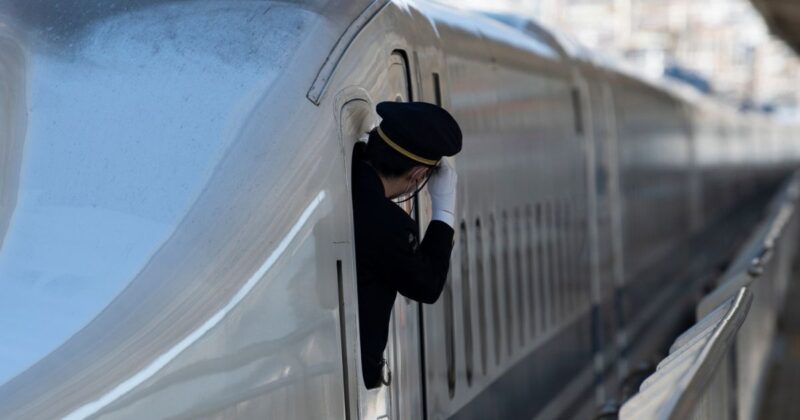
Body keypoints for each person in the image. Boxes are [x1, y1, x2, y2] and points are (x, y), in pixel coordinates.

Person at [351, 101, 462, 389]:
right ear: (417, 175)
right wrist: (444, 212)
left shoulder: (352, 182)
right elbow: (427, 285)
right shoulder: (389, 225)